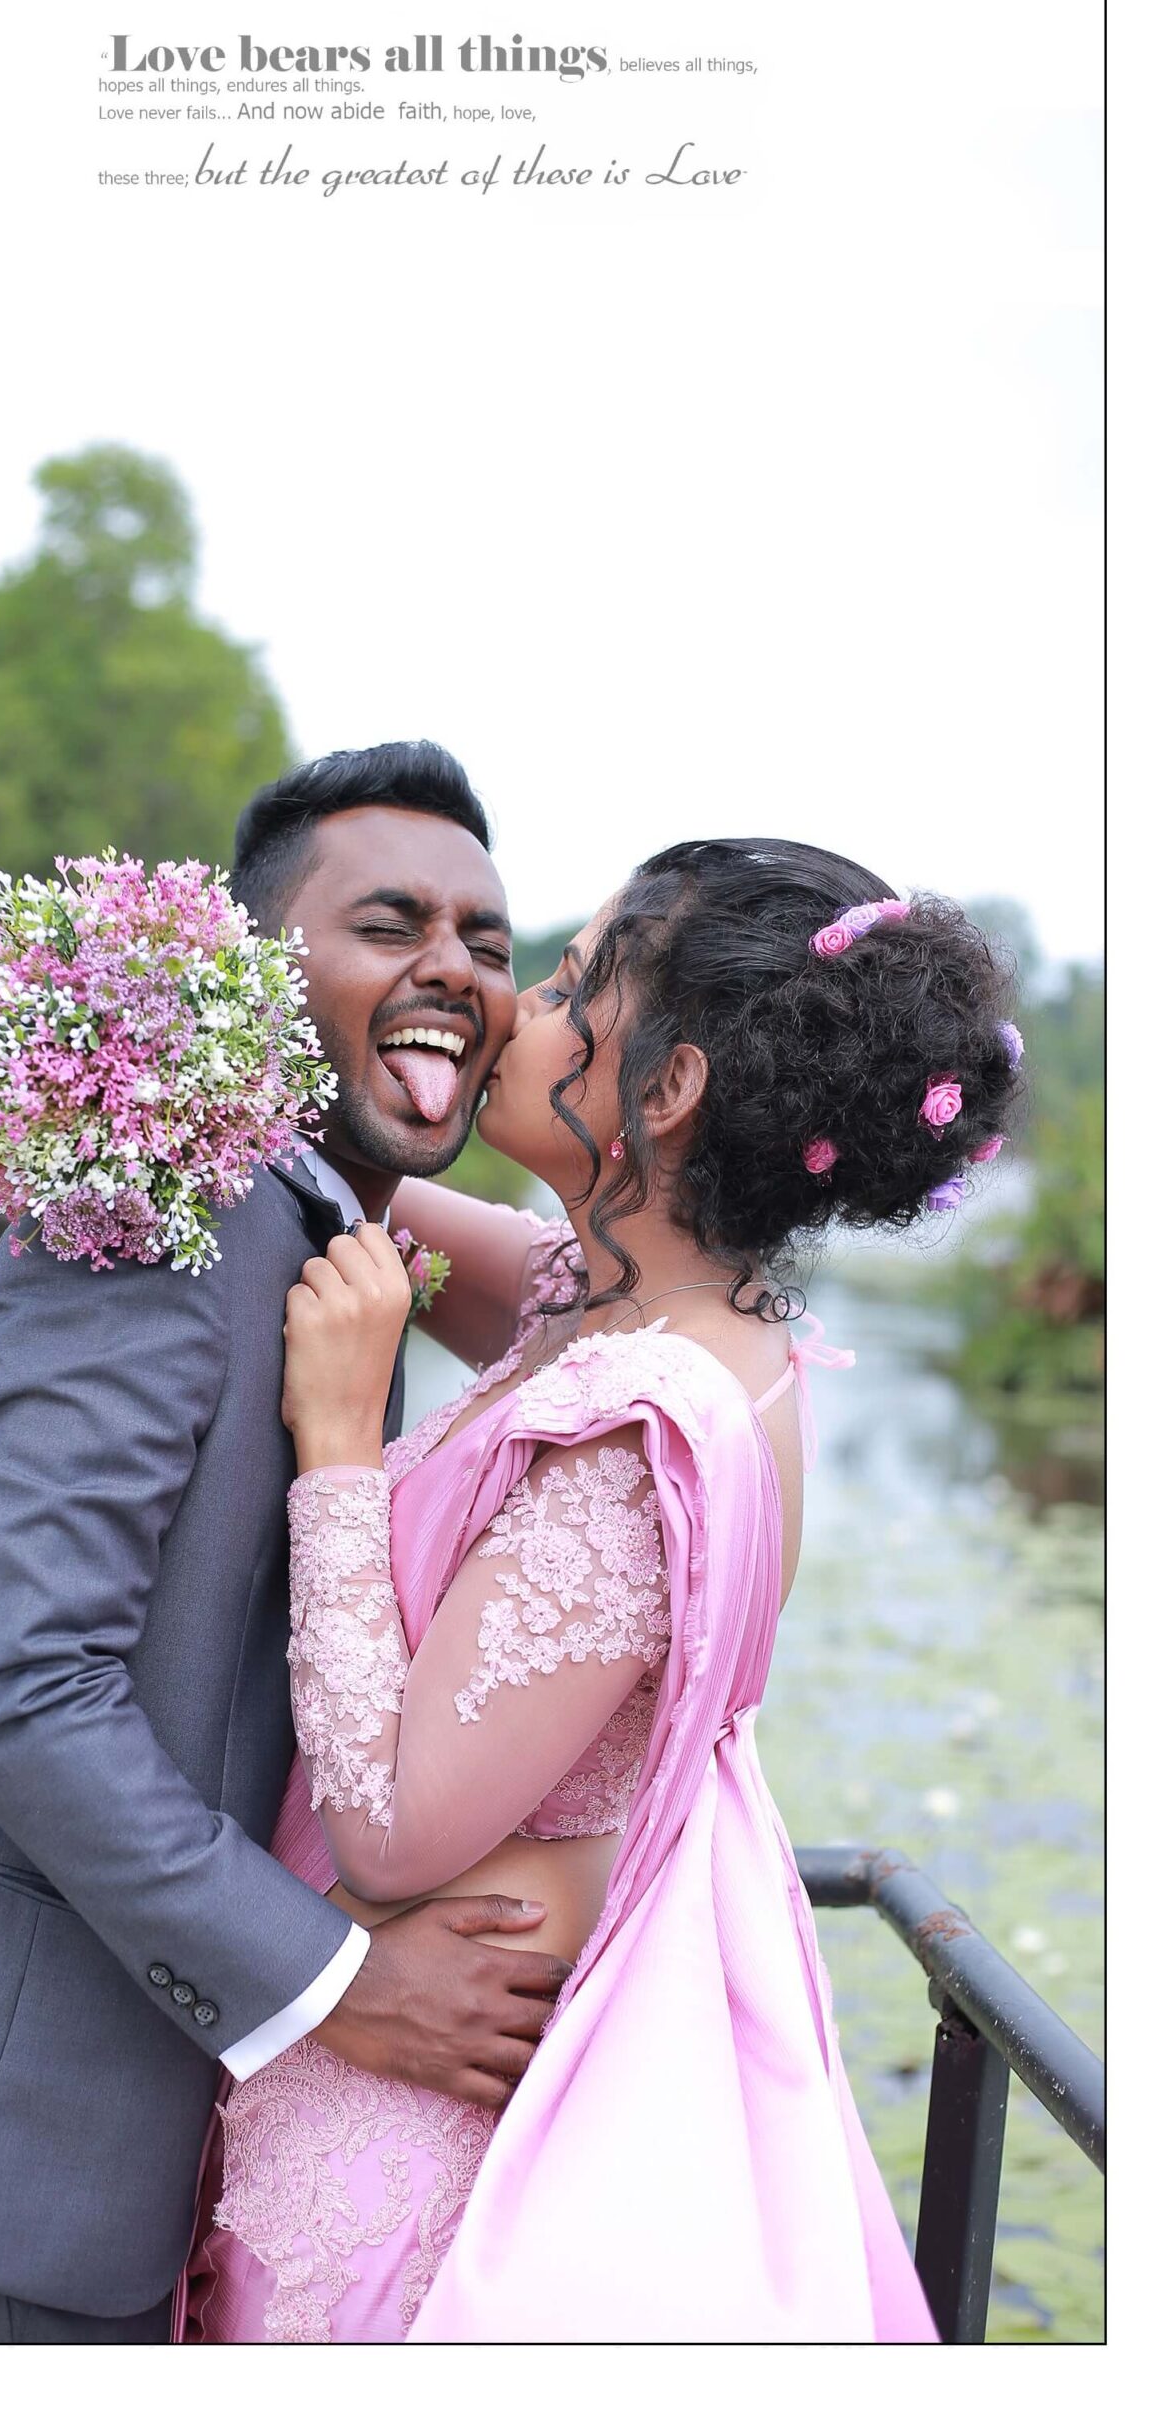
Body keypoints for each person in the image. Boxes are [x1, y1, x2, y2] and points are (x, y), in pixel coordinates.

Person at [0, 742, 577, 2346]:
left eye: (484, 938)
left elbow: (624, 1306)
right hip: (12, 2127)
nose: (453, 970)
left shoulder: (334, 1215)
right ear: (264, 974)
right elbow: (17, 1685)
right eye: (389, 923)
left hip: (158, 2123)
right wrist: (343, 1985)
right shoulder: (153, 1215)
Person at [188, 838, 1022, 2343]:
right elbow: (356, 1199)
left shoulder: (646, 1421)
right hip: (440, 2039)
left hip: (422, 2141)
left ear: (669, 1085)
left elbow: (386, 1831)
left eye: (571, 988)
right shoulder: (631, 1301)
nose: (513, 1007)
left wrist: (336, 1439)